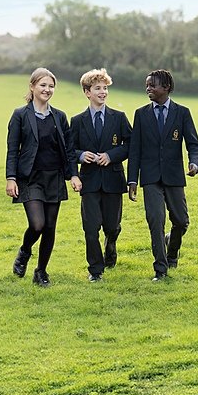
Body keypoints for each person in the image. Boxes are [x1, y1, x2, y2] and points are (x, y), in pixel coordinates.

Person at [6, 67, 82, 287]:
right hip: (30, 178)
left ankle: (41, 272)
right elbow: (12, 149)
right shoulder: (20, 115)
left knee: (50, 227)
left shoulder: (59, 117)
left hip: (54, 177)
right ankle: (25, 250)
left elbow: (68, 150)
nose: (47, 89)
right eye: (43, 85)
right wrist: (11, 177)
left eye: (51, 86)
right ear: (32, 87)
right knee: (37, 225)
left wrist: (73, 176)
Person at [127, 69, 198, 281]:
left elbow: (194, 144)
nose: (148, 89)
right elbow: (135, 150)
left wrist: (194, 163)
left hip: (174, 176)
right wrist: (132, 180)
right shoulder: (141, 114)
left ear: (166, 87)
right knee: (155, 220)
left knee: (181, 221)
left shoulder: (182, 113)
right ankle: (160, 269)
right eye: (147, 85)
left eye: (152, 85)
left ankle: (172, 249)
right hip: (150, 177)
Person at [70, 68, 132, 282]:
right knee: (90, 227)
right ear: (87, 92)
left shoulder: (119, 118)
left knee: (112, 226)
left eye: (105, 88)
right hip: (89, 181)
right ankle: (95, 270)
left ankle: (111, 242)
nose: (103, 92)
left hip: (113, 180)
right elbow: (69, 150)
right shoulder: (77, 121)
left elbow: (130, 145)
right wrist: (80, 156)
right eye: (98, 88)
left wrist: (111, 155)